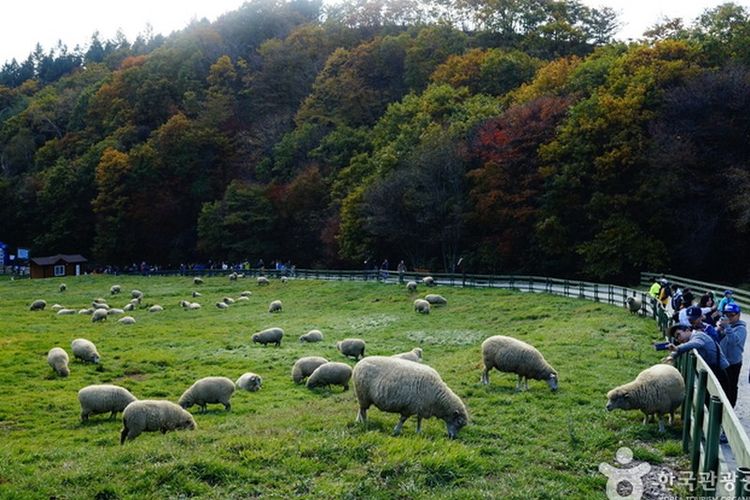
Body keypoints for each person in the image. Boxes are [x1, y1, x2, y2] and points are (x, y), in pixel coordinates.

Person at [717, 303, 746, 408]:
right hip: (723, 360)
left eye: (732, 315)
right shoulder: (726, 326)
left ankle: (730, 407)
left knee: (731, 386)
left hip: (734, 363)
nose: (729, 317)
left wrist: (727, 327)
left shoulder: (741, 329)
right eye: (727, 315)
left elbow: (733, 341)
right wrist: (719, 330)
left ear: (738, 315)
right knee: (721, 385)